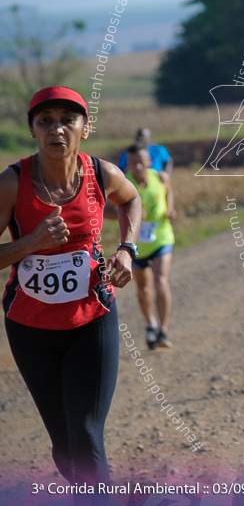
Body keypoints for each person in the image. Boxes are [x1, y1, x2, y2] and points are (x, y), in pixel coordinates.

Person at [1, 86, 142, 492]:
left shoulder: (101, 174)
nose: (56, 129)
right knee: (64, 447)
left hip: (91, 319)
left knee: (84, 433)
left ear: (85, 127)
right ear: (32, 130)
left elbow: (131, 200)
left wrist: (127, 251)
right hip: (31, 327)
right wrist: (30, 243)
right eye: (45, 121)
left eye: (68, 119)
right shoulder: (12, 183)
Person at [121, 142, 176, 349]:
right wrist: (131, 214)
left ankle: (163, 330)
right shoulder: (123, 184)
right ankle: (150, 324)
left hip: (162, 236)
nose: (137, 167)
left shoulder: (160, 177)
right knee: (143, 289)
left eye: (141, 163)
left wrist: (170, 209)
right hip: (136, 243)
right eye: (133, 163)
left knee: (161, 281)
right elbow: (107, 211)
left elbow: (168, 192)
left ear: (149, 162)